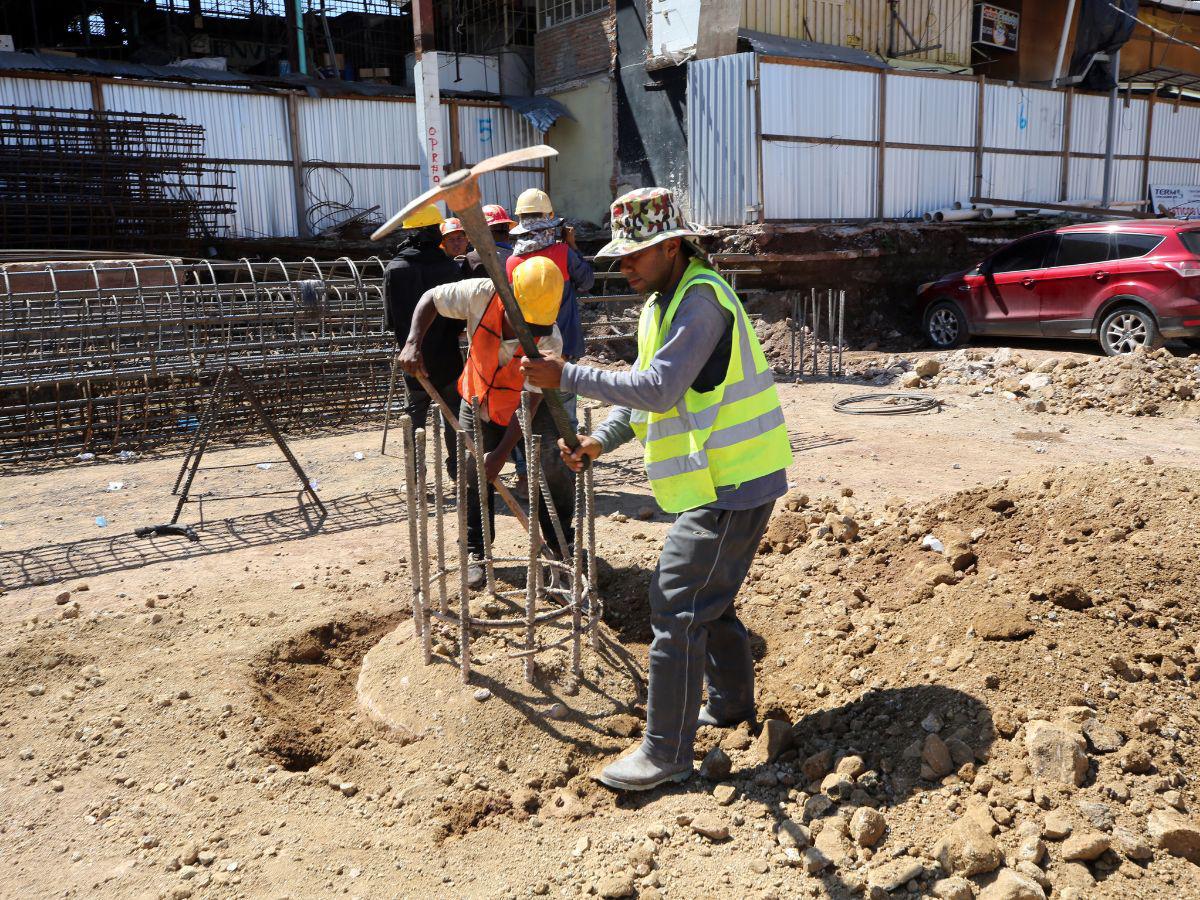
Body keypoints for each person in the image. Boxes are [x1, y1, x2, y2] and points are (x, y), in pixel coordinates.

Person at [522, 188, 793, 792]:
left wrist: (565, 375)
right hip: (712, 479)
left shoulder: (701, 303)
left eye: (635, 255)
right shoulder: (659, 306)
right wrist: (599, 442)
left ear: (672, 245)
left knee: (676, 599)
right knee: (704, 593)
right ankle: (727, 704)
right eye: (620, 257)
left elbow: (659, 388)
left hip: (736, 482)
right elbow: (647, 403)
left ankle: (666, 753)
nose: (624, 267)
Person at [400, 256, 576, 589]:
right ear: (510, 297)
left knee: (552, 469)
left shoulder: (550, 340)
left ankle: (560, 547)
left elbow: (531, 400)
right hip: (477, 399)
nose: (531, 334)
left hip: (526, 409)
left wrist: (499, 455)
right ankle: (475, 552)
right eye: (526, 323)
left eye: (537, 328)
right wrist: (412, 342)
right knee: (470, 474)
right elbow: (430, 300)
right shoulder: (480, 293)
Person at [507, 188, 594, 495]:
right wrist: (572, 245)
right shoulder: (563, 254)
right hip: (564, 346)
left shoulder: (511, 261)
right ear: (549, 221)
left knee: (527, 413)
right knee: (563, 413)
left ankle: (525, 475)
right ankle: (566, 477)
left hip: (528, 351)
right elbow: (587, 280)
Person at [382, 204, 465, 478]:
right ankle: (457, 471)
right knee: (453, 413)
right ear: (435, 232)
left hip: (413, 361)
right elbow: (459, 322)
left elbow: (392, 321)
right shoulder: (450, 269)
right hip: (448, 358)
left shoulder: (394, 269)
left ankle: (416, 475)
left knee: (414, 414)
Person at [462, 204, 515, 277]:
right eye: (499, 231)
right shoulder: (518, 257)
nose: (505, 235)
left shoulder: (472, 258)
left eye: (505, 230)